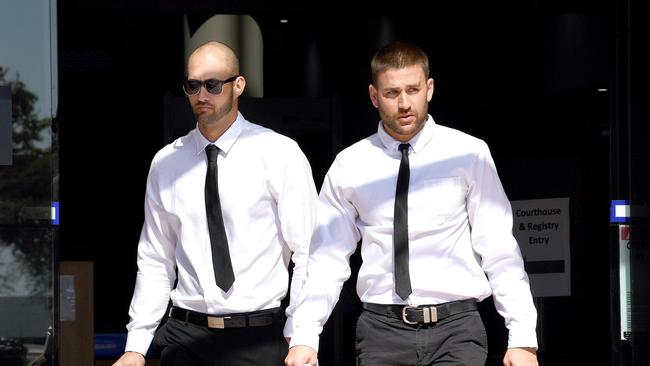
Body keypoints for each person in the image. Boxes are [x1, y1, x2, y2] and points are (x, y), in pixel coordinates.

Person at [285, 41, 538, 366]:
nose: (405, 103)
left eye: (413, 90)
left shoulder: (469, 153)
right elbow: (327, 259)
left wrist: (523, 339)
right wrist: (305, 336)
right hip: (381, 330)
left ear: (429, 89)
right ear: (374, 96)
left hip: (457, 327)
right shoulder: (350, 164)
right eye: (392, 93)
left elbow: (500, 250)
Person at [113, 41, 318, 366]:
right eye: (192, 85)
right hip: (185, 336)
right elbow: (155, 260)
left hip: (258, 335)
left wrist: (303, 336)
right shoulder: (167, 163)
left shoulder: (279, 153)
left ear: (238, 85)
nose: (201, 95)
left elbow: (310, 252)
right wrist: (136, 346)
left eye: (212, 85)